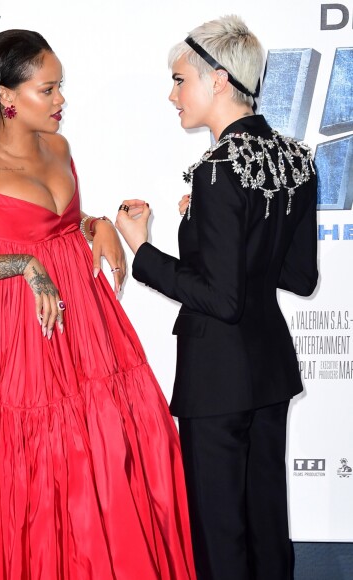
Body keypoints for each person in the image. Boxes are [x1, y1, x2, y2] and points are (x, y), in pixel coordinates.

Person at [0, 29, 196, 579]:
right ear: (8, 98)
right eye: (48, 90)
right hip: (7, 341)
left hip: (80, 330)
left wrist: (95, 223)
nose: (61, 102)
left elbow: (52, 226)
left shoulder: (59, 148)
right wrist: (21, 265)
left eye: (61, 89)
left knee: (90, 464)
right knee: (25, 469)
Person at [116, 15, 318, 580]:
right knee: (265, 524)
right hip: (269, 371)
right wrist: (212, 233)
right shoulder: (296, 161)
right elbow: (298, 275)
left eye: (180, 80)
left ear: (219, 80)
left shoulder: (217, 171)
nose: (172, 94)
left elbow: (222, 300)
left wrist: (142, 251)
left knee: (219, 534)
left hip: (216, 377)